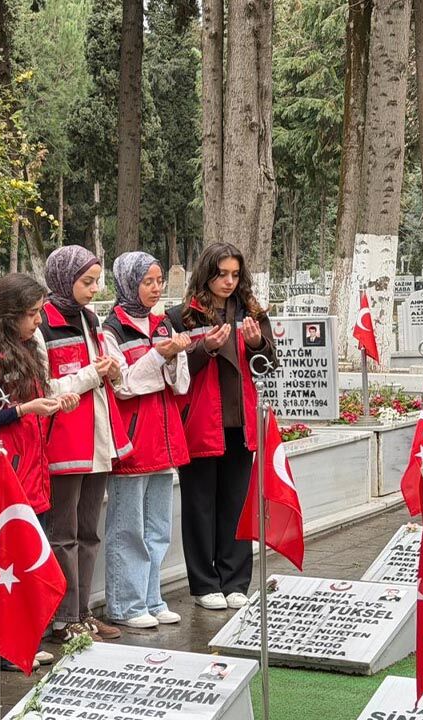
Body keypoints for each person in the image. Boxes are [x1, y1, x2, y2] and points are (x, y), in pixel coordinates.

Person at [0, 272, 78, 670]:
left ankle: (21, 639)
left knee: (29, 555)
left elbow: (32, 401)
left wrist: (53, 403)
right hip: (5, 468)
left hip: (32, 463)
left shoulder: (27, 345)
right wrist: (25, 410)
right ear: (10, 312)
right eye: (32, 313)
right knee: (5, 560)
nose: (38, 321)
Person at [167, 242, 277, 612]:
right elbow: (173, 370)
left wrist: (257, 343)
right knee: (199, 505)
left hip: (240, 422)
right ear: (206, 274)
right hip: (200, 423)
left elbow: (269, 363)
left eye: (234, 274)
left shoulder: (251, 312)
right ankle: (204, 583)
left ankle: (235, 581)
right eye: (221, 274)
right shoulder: (182, 315)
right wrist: (205, 349)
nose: (228, 282)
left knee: (236, 504)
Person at [39, 245, 132, 642]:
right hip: (64, 443)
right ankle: (63, 619)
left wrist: (112, 370)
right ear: (64, 279)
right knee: (63, 534)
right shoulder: (44, 323)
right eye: (87, 282)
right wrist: (92, 375)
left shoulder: (90, 318)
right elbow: (46, 387)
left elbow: (105, 375)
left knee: (89, 532)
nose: (95, 289)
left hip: (97, 438)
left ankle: (82, 611)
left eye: (97, 281)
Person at [101, 252, 192, 630]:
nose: (156, 289)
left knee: (158, 529)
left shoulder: (162, 324)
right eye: (147, 282)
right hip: (133, 442)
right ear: (128, 283)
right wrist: (158, 356)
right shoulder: (112, 330)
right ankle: (126, 603)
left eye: (159, 281)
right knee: (128, 528)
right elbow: (123, 385)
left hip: (164, 439)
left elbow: (180, 384)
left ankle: (152, 597)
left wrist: (170, 358)